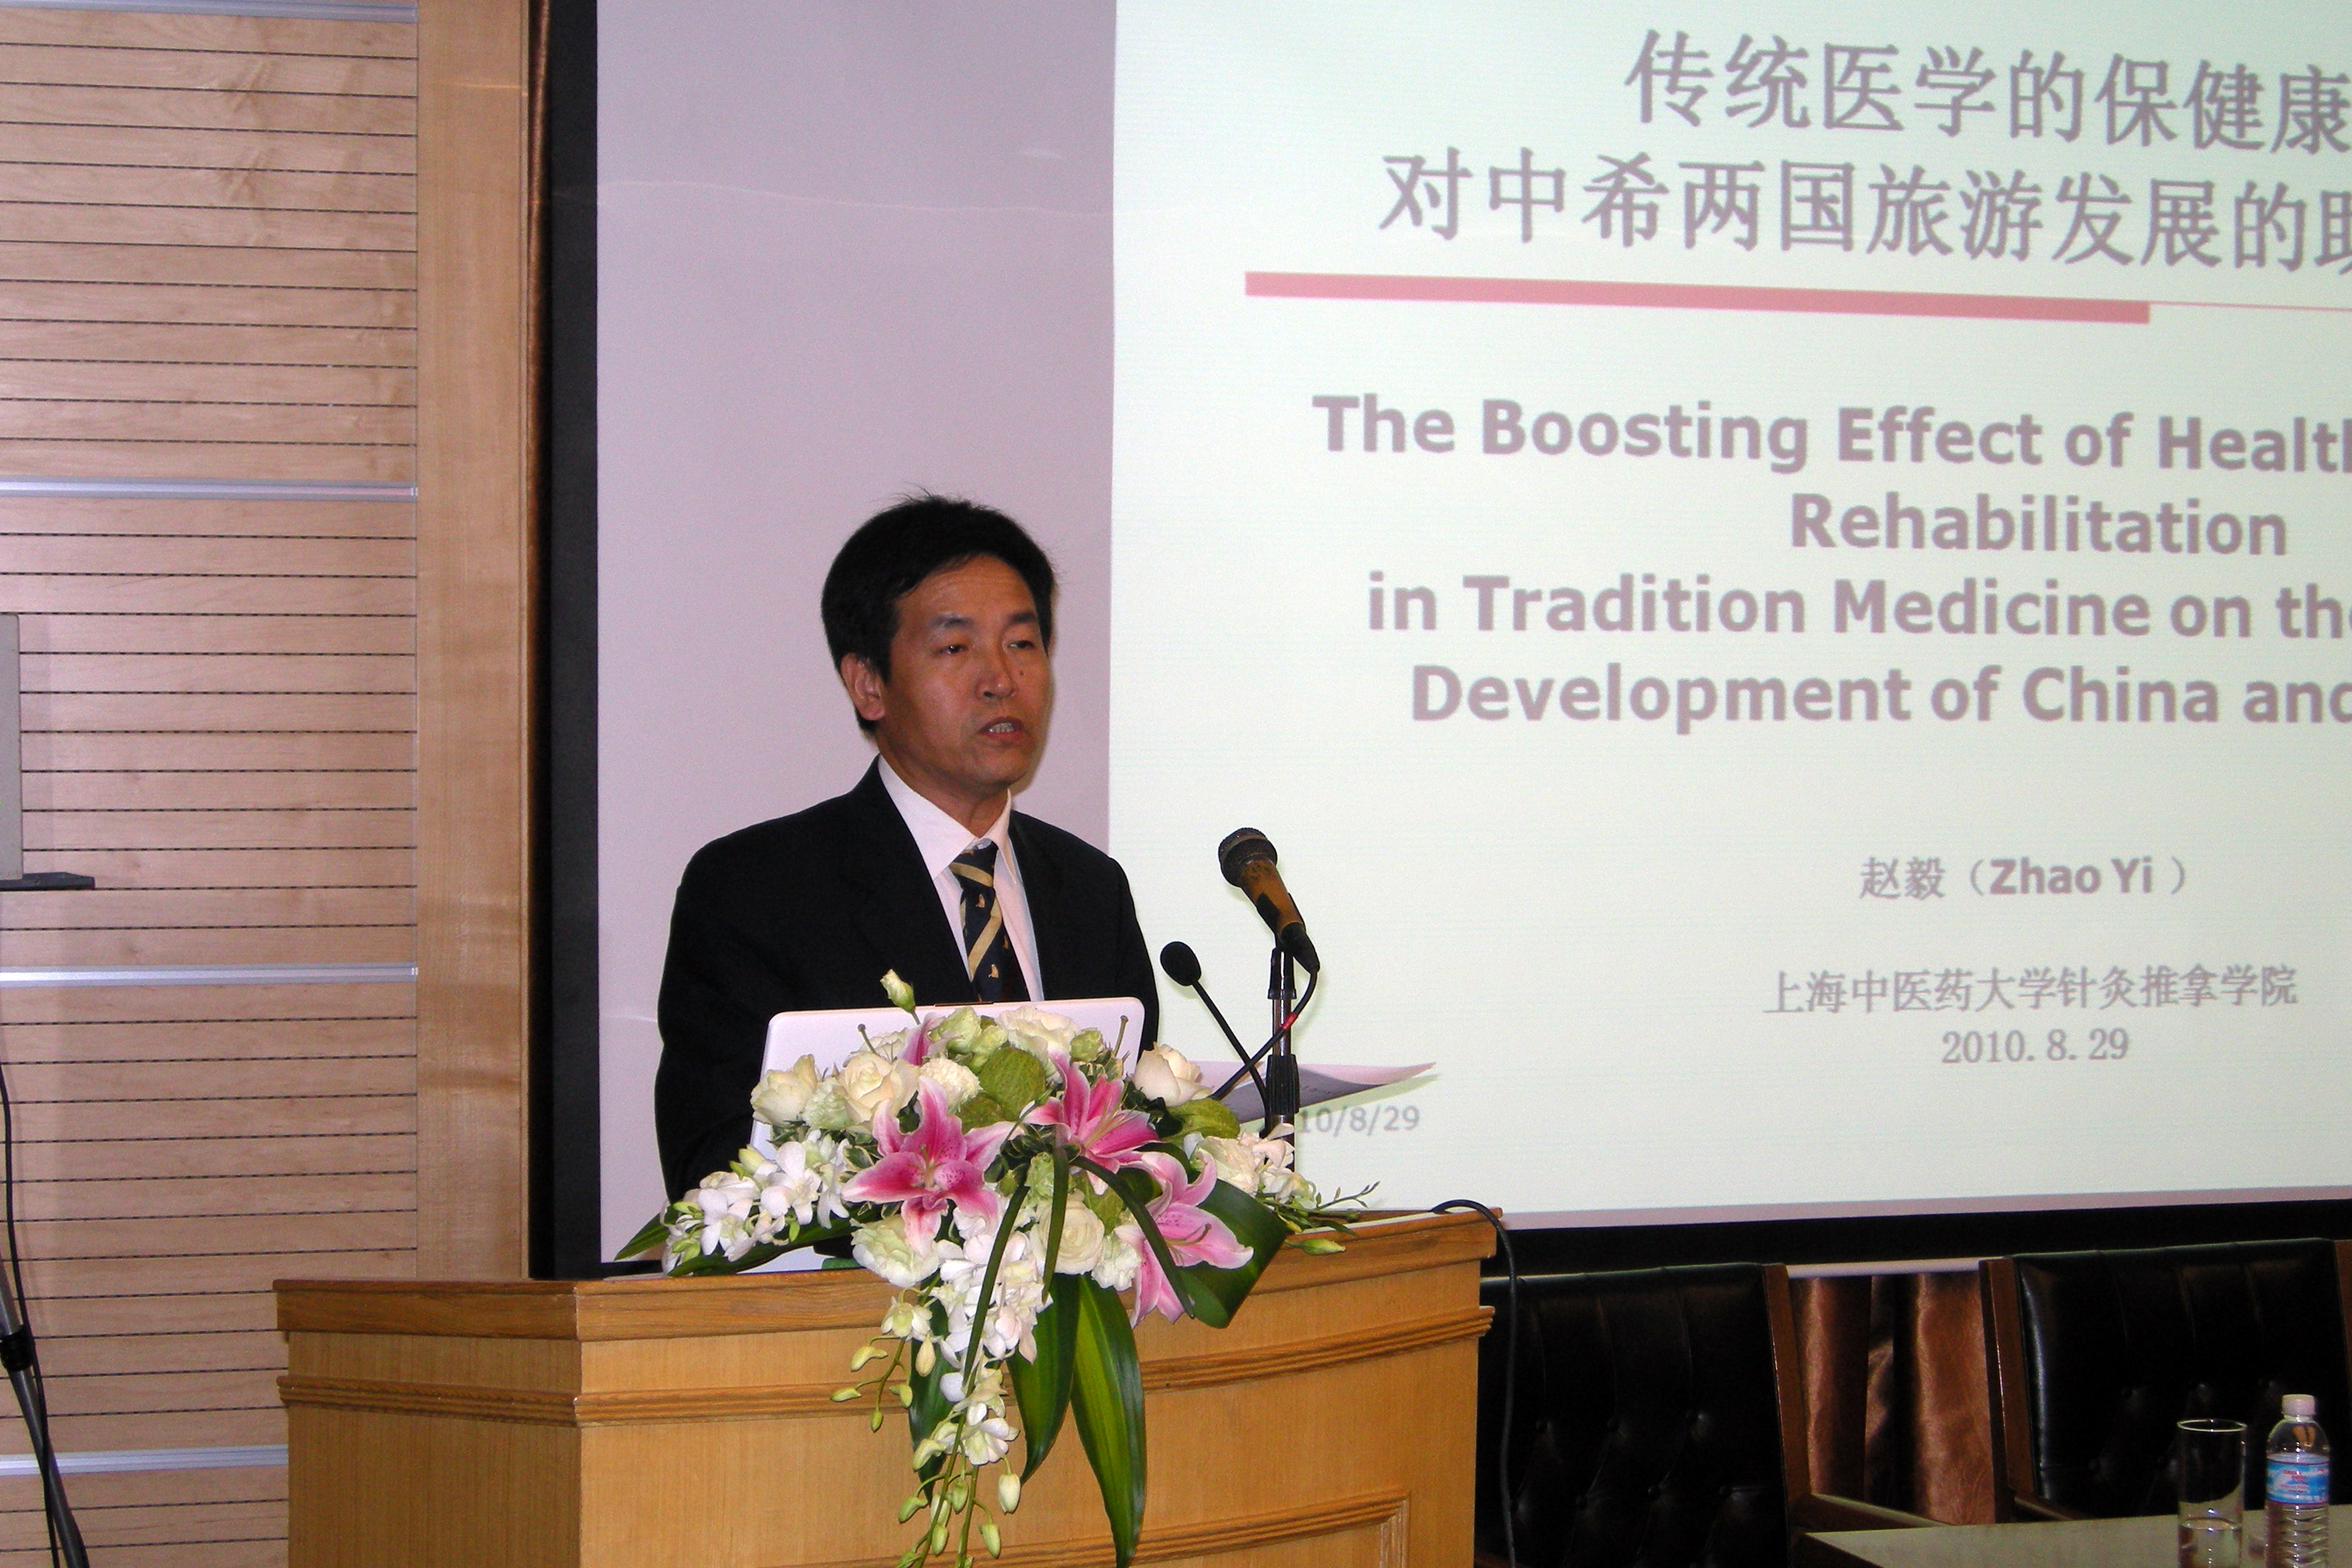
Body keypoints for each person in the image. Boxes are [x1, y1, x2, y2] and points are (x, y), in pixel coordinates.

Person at [653, 496, 1159, 1198]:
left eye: (1022, 643)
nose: (1001, 680)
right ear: (868, 684)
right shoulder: (756, 892)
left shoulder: (1090, 890)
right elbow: (713, 1169)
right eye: (955, 648)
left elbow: (1133, 1136)